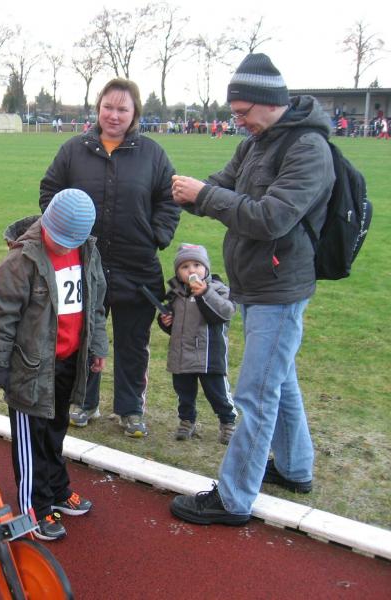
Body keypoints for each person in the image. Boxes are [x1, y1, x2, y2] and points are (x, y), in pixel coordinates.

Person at [170, 53, 334, 525]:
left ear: (268, 102)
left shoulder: (308, 149)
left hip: (280, 290)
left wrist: (204, 195)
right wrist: (175, 189)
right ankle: (295, 467)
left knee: (256, 394)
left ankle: (234, 498)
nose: (237, 121)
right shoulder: (255, 144)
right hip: (257, 285)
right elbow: (221, 186)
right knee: (279, 380)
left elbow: (271, 218)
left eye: (242, 111)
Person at [39, 78, 180, 436]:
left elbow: (169, 199)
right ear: (98, 108)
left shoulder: (152, 154)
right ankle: (84, 402)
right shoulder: (74, 150)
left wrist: (156, 235)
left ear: (134, 113)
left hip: (137, 267)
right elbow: (50, 192)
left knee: (133, 343)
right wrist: (64, 235)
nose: (113, 115)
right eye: (108, 107)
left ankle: (130, 410)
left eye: (122, 109)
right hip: (85, 265)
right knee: (86, 337)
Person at [0, 189, 108, 541]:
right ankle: (34, 507)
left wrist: (97, 345)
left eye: (72, 243)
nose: (65, 249)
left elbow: (96, 304)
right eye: (60, 241)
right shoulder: (19, 262)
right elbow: (0, 317)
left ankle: (56, 488)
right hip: (30, 369)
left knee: (55, 432)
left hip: (68, 362)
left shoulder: (87, 252)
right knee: (31, 441)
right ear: (46, 223)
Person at [158, 244, 237, 444]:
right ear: (178, 272)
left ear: (206, 268)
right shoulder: (175, 293)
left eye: (196, 265)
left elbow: (225, 313)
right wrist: (166, 321)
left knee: (217, 392)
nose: (191, 270)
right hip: (182, 354)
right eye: (185, 267)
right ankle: (187, 421)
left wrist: (204, 293)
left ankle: (228, 422)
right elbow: (175, 326)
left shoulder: (218, 289)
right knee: (184, 392)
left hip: (208, 355)